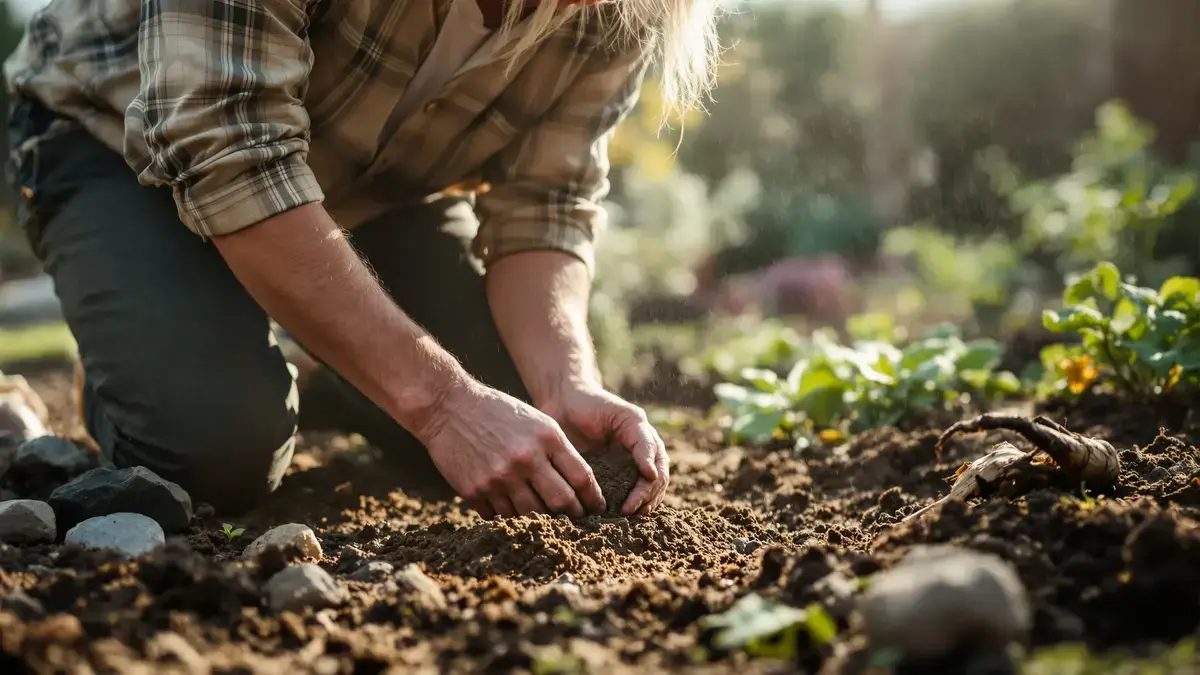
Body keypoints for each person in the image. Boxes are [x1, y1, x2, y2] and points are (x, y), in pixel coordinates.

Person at [2, 0, 721, 517]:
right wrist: (440, 403)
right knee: (213, 453)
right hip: (115, 138)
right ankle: (143, 337)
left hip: (366, 182)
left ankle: (325, 358)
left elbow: (547, 200)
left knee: (540, 441)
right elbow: (227, 147)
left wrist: (567, 382)